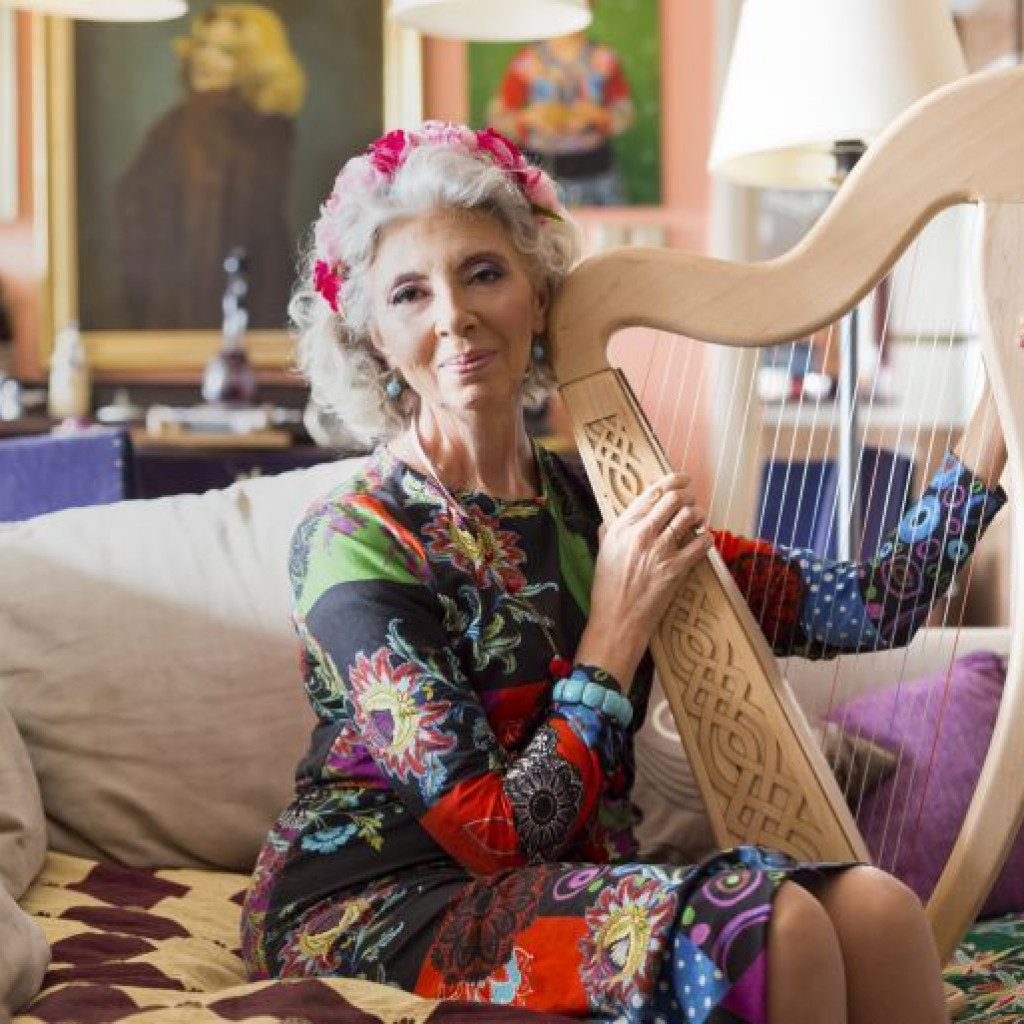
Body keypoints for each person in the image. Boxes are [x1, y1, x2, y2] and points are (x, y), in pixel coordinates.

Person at [240, 121, 1007, 1024]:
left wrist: (1001, 407)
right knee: (782, 928)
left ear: (539, 295)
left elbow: (878, 603)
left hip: (555, 884)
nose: (453, 316)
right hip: (376, 902)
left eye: (483, 273)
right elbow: (494, 837)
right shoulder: (356, 537)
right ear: (374, 334)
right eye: (411, 293)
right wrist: (615, 626)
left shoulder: (599, 502)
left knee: (877, 911)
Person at [117, 3, 305, 330]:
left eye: (225, 51)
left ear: (253, 64)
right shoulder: (181, 124)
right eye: (203, 44)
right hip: (215, 290)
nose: (205, 58)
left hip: (225, 289)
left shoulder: (242, 126)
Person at [487, 25, 635, 206]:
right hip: (539, 170)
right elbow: (498, 116)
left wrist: (600, 116)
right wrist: (527, 118)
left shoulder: (604, 59)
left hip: (596, 171)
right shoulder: (527, 61)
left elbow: (624, 112)